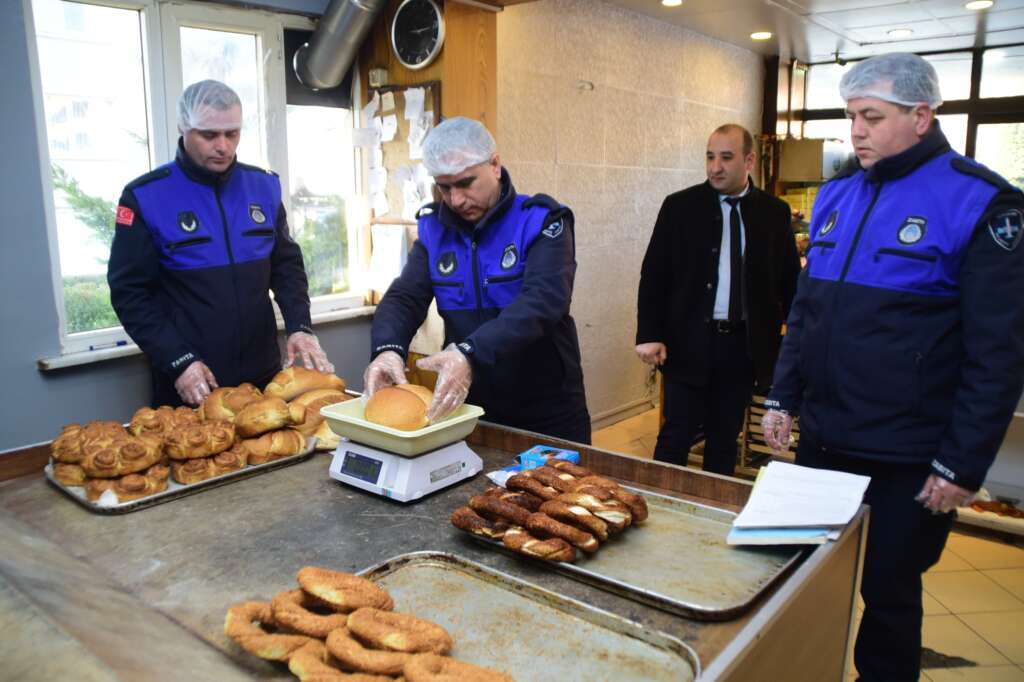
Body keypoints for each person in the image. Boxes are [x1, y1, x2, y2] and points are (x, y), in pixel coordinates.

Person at [762, 53, 1024, 681]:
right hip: (825, 441)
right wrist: (781, 396)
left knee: (888, 598)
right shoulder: (838, 194)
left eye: (871, 117)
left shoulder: (983, 204)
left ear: (921, 115)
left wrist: (961, 464)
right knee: (803, 583)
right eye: (852, 116)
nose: (856, 131)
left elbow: (999, 354)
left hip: (907, 455)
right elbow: (807, 311)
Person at [365, 117, 591, 443]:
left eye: (465, 183)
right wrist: (387, 349)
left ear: (495, 165)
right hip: (470, 405)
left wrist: (470, 353)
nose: (455, 200)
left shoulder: (541, 220)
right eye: (444, 187)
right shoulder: (434, 229)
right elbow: (405, 297)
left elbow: (544, 301)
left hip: (547, 405)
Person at [108, 80, 332, 407]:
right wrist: (178, 361)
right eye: (209, 135)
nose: (223, 146)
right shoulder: (145, 196)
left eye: (232, 134)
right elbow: (130, 294)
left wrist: (299, 326)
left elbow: (286, 268)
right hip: (190, 379)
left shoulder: (263, 187)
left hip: (262, 376)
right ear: (183, 128)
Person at [635, 124, 800, 475]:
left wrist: (795, 347)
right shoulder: (680, 207)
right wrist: (649, 332)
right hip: (687, 341)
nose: (715, 167)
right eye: (710, 157)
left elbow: (789, 282)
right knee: (676, 434)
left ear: (749, 160)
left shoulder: (774, 212)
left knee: (725, 438)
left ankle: (712, 512)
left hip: (742, 347)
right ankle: (662, 506)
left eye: (726, 157)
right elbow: (654, 274)